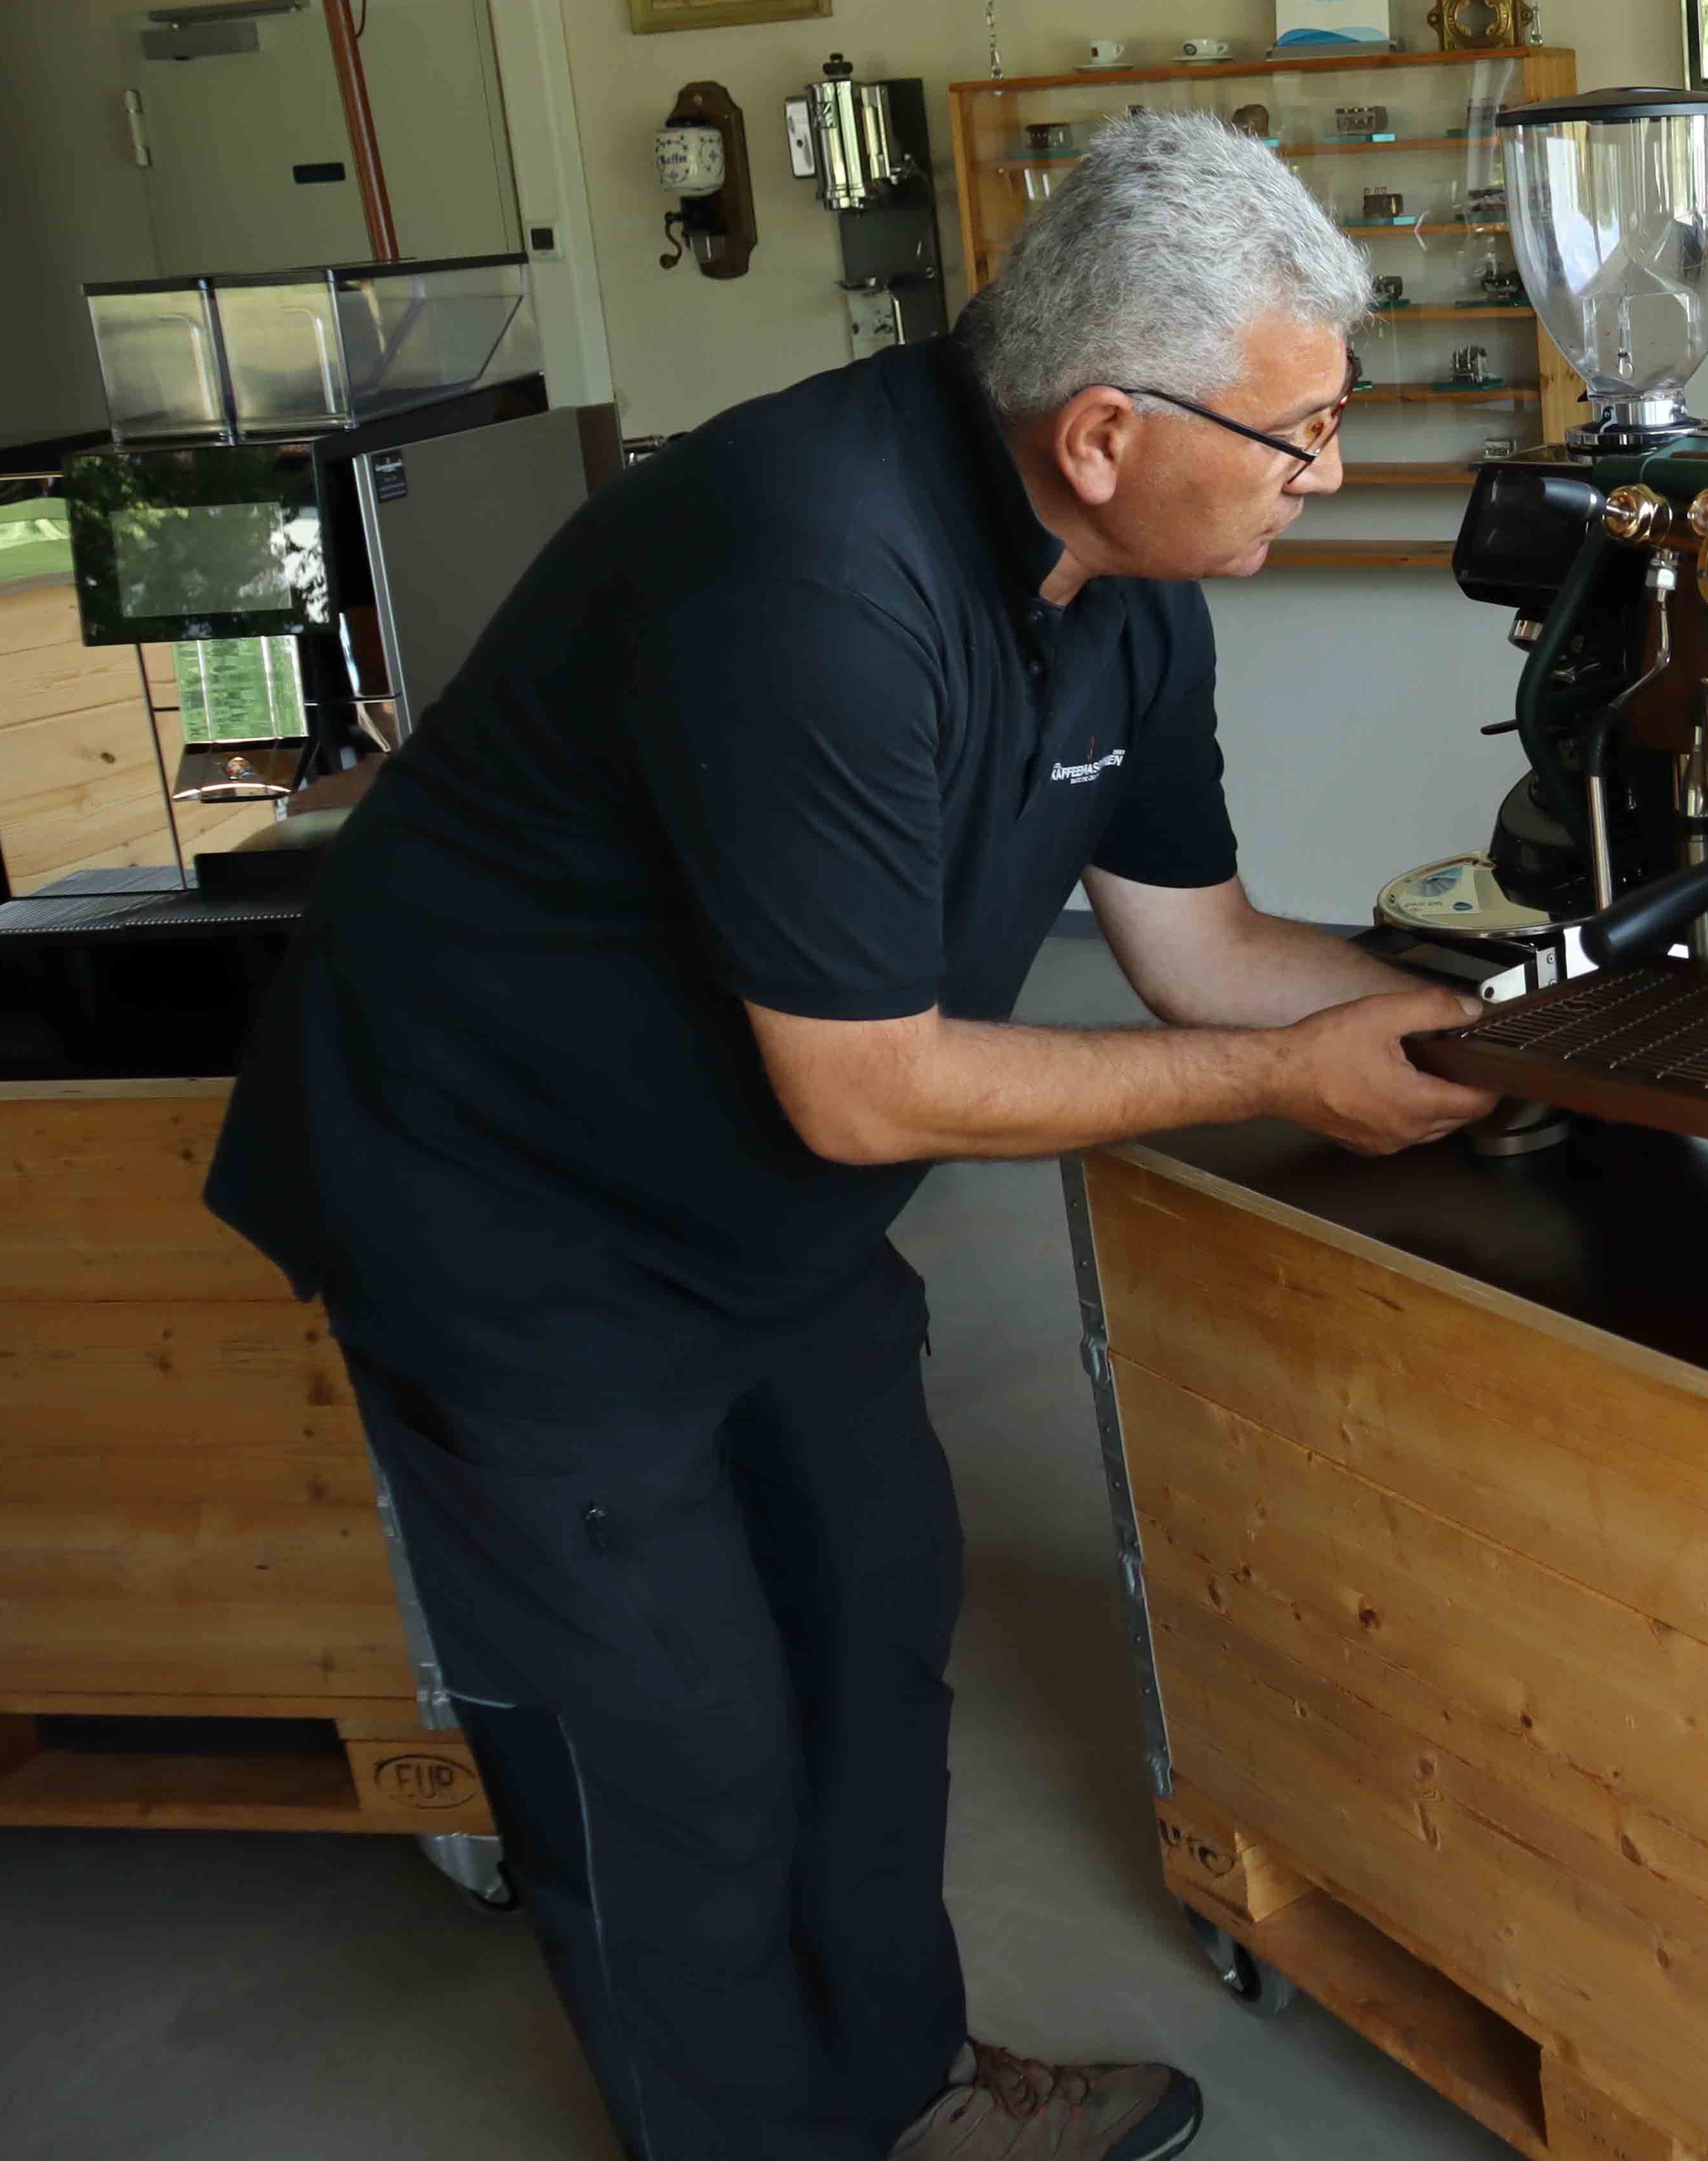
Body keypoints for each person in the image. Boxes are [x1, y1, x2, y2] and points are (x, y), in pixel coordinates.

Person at [208, 110, 1495, 2161]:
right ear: (1099, 431)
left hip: (758, 1203)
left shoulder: (1143, 595)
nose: (1322, 476)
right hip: (498, 1205)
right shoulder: (810, 569)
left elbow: (1206, 949)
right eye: (1297, 434)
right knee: (675, 1747)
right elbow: (871, 1078)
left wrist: (1479, 1020)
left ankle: (905, 2095)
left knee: (876, 1637)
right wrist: (1287, 1081)